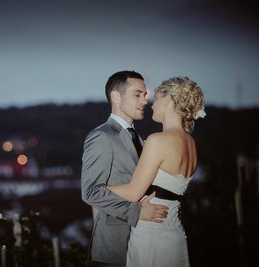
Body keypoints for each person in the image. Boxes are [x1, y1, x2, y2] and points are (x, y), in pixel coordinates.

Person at [106, 76, 205, 267]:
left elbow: (133, 193)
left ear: (168, 100)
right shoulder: (191, 144)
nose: (151, 105)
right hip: (174, 234)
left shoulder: (158, 140)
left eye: (156, 99)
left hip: (151, 234)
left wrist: (100, 186)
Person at [81, 70, 169, 267]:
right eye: (137, 94)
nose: (145, 100)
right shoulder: (102, 137)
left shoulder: (139, 139)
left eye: (145, 95)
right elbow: (90, 192)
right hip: (114, 248)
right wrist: (136, 212)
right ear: (116, 96)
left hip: (146, 243)